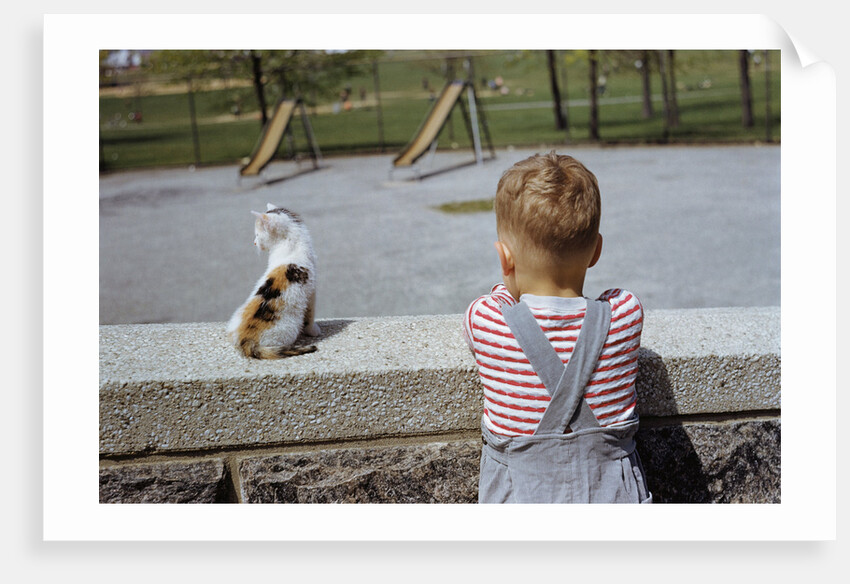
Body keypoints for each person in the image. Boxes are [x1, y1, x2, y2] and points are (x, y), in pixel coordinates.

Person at [462, 152, 652, 504]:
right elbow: (615, 297)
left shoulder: (486, 320)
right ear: (596, 251)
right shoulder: (626, 316)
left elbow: (497, 299)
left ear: (504, 258)